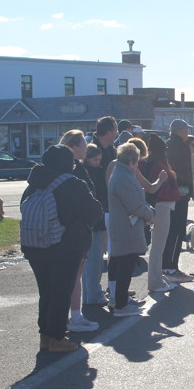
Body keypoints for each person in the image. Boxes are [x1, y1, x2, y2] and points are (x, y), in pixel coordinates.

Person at [22, 144, 103, 351]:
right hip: (64, 245)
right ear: (67, 163)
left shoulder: (34, 183)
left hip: (35, 244)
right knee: (61, 291)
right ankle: (57, 338)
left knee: (46, 292)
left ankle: (45, 337)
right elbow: (94, 211)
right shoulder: (72, 184)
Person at [58, 130, 100, 333]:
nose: (87, 146)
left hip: (65, 230)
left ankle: (67, 316)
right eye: (83, 143)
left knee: (69, 276)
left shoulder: (60, 169)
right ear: (73, 147)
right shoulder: (75, 170)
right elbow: (86, 202)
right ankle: (75, 316)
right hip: (74, 231)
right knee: (74, 276)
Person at [108, 143, 156, 316]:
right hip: (125, 228)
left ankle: (121, 300)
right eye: (137, 163)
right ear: (131, 162)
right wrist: (151, 214)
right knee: (125, 266)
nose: (137, 166)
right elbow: (134, 205)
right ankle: (121, 305)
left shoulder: (121, 174)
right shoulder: (123, 177)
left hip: (125, 225)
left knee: (124, 264)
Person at [84, 116, 118, 306]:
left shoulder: (112, 151)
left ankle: (113, 288)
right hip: (96, 210)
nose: (117, 133)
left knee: (110, 252)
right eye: (115, 129)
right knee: (94, 256)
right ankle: (92, 295)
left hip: (110, 208)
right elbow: (92, 184)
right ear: (110, 131)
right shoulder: (92, 149)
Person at [141, 134, 178, 293]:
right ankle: (155, 282)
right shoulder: (159, 166)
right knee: (158, 247)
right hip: (162, 206)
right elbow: (164, 191)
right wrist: (177, 192)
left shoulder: (150, 164)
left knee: (157, 247)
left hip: (158, 205)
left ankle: (157, 278)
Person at [163, 119, 194, 284]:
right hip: (180, 191)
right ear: (181, 131)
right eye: (186, 129)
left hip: (168, 191)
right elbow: (185, 171)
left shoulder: (167, 144)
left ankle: (166, 266)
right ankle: (172, 268)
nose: (187, 132)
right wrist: (188, 189)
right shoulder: (182, 147)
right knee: (177, 230)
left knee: (168, 230)